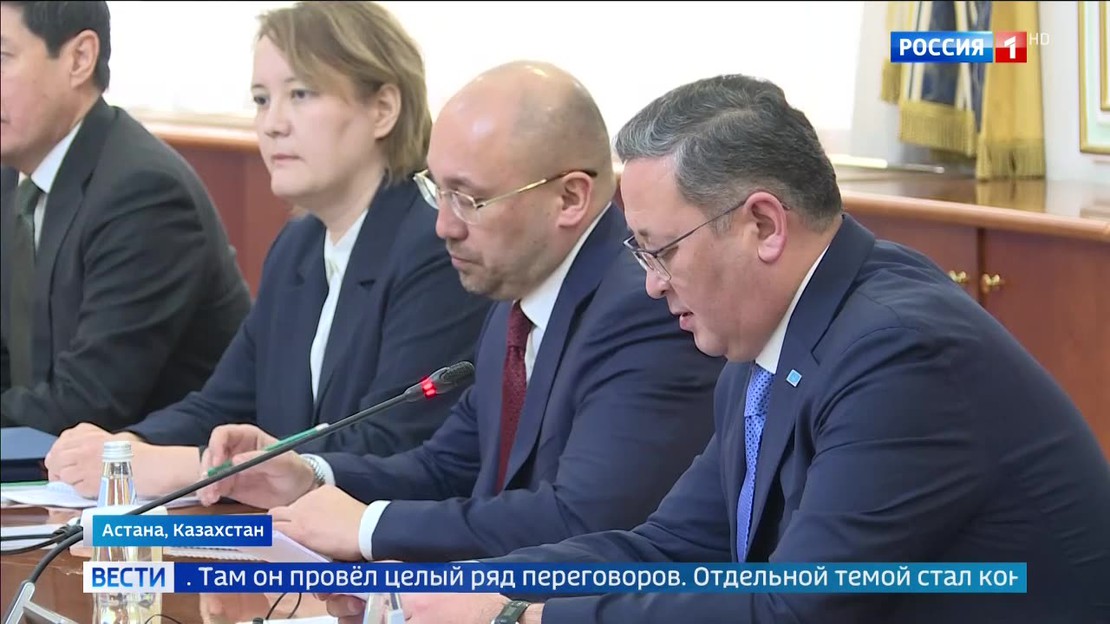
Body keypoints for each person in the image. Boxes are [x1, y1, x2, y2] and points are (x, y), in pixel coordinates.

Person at [329, 74, 1110, 623]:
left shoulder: (900, 355)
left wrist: (521, 615)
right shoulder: (767, 341)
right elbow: (670, 547)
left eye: (660, 250)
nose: (649, 284)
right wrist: (454, 587)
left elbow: (792, 608)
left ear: (762, 225)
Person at [196, 61, 725, 565]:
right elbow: (446, 466)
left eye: (469, 200)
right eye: (437, 191)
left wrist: (368, 527)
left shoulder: (643, 310)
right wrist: (310, 474)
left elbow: (581, 520)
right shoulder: (518, 296)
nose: (444, 226)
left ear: (569, 199)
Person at [43, 1, 491, 498]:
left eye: (300, 94)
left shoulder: (433, 245)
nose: (272, 123)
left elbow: (393, 443)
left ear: (383, 109)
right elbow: (222, 404)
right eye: (261, 100)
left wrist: (193, 467)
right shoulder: (298, 247)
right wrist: (128, 446)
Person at [0, 1, 251, 434]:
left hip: (162, 471)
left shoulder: (143, 192)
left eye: (2, 57)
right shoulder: (14, 177)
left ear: (79, 59)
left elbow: (87, 403)